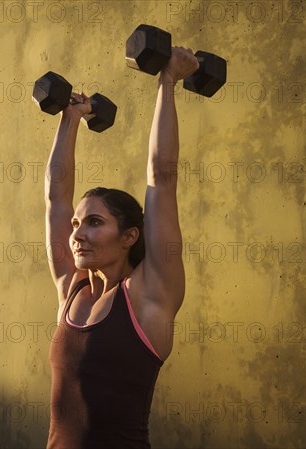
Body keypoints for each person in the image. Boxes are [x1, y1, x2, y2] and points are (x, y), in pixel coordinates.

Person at [44, 47, 199, 449]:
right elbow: (57, 201)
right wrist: (71, 118)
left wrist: (168, 80)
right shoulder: (71, 289)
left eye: (95, 223)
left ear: (129, 236)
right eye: (78, 225)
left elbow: (161, 180)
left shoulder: (150, 297)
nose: (76, 234)